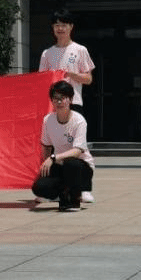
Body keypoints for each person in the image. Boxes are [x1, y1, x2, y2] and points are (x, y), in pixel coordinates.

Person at [38, 7, 96, 203]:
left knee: (77, 147)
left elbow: (88, 78)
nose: (60, 28)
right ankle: (56, 188)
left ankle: (84, 188)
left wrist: (71, 75)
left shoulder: (80, 50)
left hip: (74, 104)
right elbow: (42, 80)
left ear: (71, 27)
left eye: (63, 25)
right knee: (55, 147)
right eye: (56, 25)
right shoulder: (47, 53)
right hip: (53, 106)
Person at [32, 80, 95, 212]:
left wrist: (53, 158)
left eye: (63, 98)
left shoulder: (79, 121)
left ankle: (75, 198)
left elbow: (77, 151)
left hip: (81, 166)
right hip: (60, 165)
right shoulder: (48, 120)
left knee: (71, 163)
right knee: (39, 187)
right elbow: (46, 146)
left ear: (70, 100)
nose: (59, 102)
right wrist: (46, 165)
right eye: (56, 98)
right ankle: (61, 193)